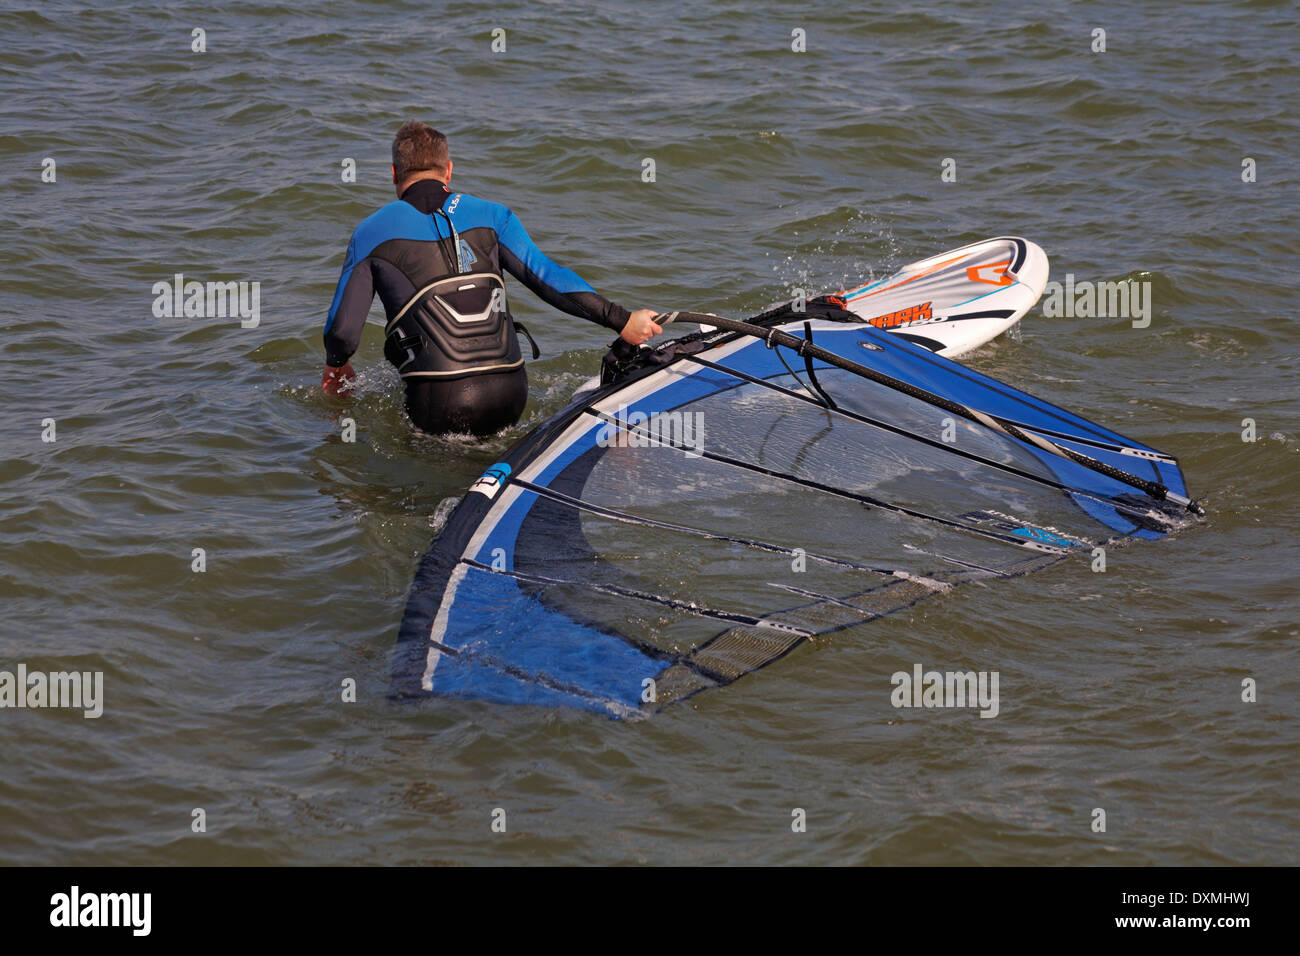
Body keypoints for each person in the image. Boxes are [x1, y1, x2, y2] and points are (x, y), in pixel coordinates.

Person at [321, 121, 661, 435]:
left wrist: (336, 367)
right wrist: (622, 320)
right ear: (449, 170)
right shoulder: (494, 215)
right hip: (510, 394)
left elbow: (342, 332)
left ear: (393, 174)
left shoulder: (370, 233)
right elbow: (547, 278)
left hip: (436, 404)